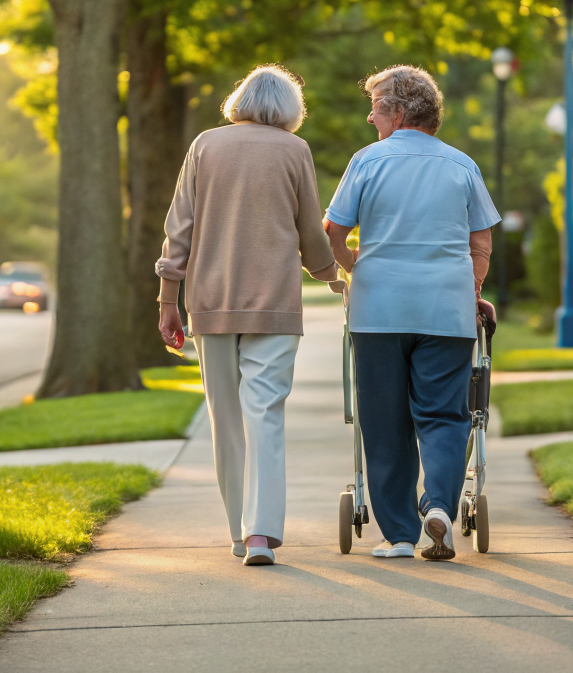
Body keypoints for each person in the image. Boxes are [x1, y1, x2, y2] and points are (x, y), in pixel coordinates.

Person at [157, 64, 337, 567]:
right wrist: (331, 274)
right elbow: (309, 229)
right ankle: (260, 534)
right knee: (266, 416)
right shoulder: (295, 151)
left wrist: (168, 301)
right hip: (275, 303)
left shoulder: (204, 145)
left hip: (209, 302)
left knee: (226, 422)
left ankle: (238, 533)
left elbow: (179, 230)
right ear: (289, 109)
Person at [324, 65, 498, 561]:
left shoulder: (367, 161)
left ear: (399, 112)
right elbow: (480, 240)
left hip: (379, 309)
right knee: (445, 413)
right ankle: (439, 506)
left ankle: (399, 535)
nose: (369, 117)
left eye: (376, 107)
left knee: (383, 420)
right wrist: (473, 287)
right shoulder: (462, 165)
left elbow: (333, 230)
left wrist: (354, 266)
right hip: (447, 307)